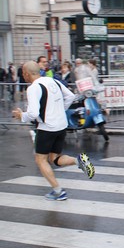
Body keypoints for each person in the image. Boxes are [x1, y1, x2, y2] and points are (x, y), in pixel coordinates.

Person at [11, 61, 94, 200]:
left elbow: (32, 113)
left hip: (46, 128)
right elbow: (70, 96)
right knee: (53, 158)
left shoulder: (33, 88)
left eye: (23, 73)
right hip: (61, 125)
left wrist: (21, 116)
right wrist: (60, 110)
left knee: (40, 160)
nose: (23, 75)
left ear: (26, 73)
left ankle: (58, 191)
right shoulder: (52, 81)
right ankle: (79, 161)